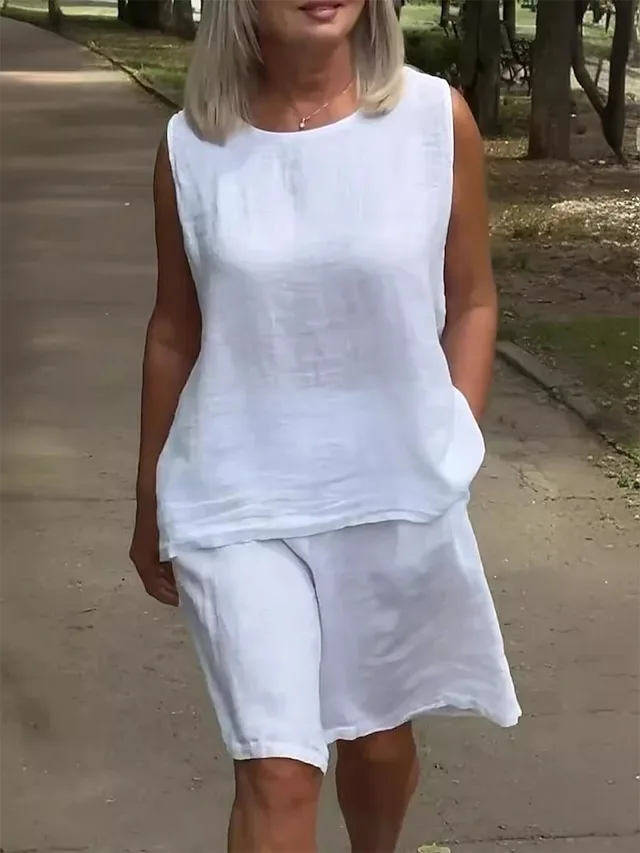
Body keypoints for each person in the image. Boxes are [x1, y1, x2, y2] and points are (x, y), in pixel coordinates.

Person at [129, 1, 521, 851]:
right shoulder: (191, 148)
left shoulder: (433, 119)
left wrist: (451, 436)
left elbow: (473, 299)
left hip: (392, 491)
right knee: (277, 768)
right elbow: (174, 330)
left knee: (377, 742)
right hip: (235, 497)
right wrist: (148, 496)